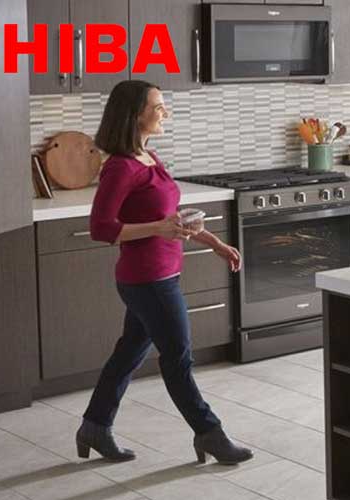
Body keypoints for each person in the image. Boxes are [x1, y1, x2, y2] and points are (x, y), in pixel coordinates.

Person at [77, 80, 255, 465]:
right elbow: (101, 228)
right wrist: (157, 229)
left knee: (128, 353)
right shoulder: (120, 167)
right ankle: (210, 433)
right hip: (147, 279)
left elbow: (170, 218)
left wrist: (213, 242)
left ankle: (95, 426)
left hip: (163, 273)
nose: (165, 113)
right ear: (134, 114)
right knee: (178, 358)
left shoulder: (149, 157)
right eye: (158, 107)